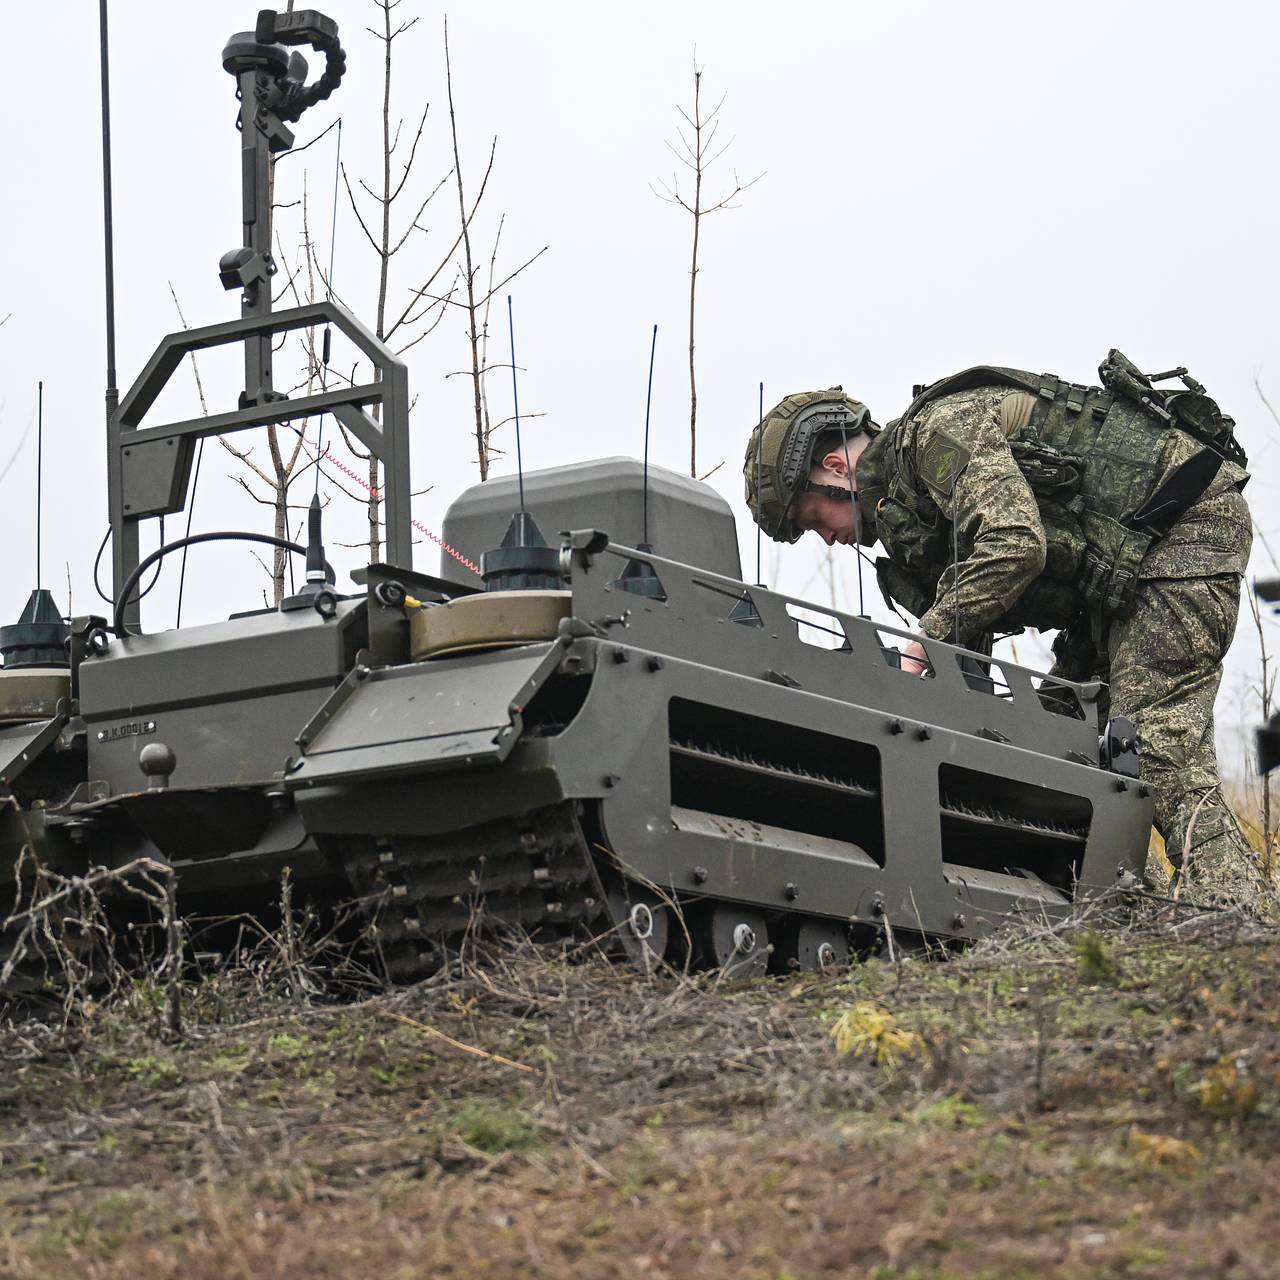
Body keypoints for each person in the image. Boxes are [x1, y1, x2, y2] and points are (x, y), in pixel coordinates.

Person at [743, 354, 1268, 907]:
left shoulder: (937, 437)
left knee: (1155, 745)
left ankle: (1248, 924)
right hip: (1118, 577)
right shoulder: (908, 511)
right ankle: (1146, 915)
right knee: (1060, 750)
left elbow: (1016, 543)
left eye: (812, 519)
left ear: (833, 467)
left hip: (1183, 525)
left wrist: (925, 644)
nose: (826, 539)